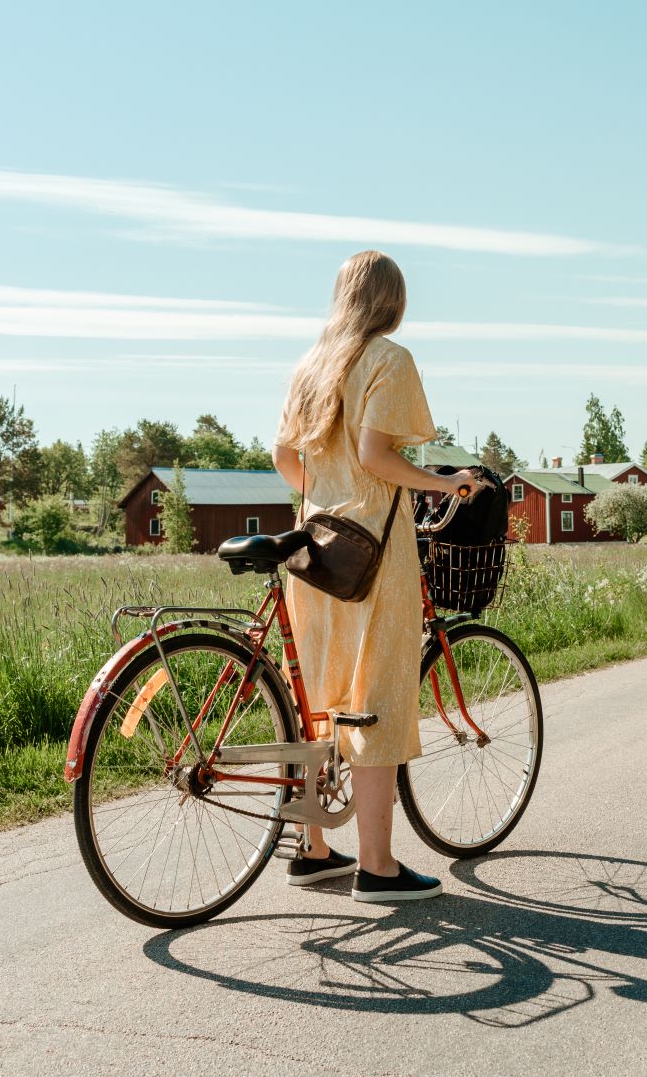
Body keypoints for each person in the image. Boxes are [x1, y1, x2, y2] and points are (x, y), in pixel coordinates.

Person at [272, 249, 472, 902]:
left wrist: (324, 498)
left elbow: (282, 453)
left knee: (319, 696)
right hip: (375, 556)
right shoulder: (388, 360)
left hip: (314, 553)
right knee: (376, 698)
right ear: (392, 301)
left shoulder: (311, 364)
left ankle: (315, 851)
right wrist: (442, 481)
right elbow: (376, 456)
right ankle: (379, 868)